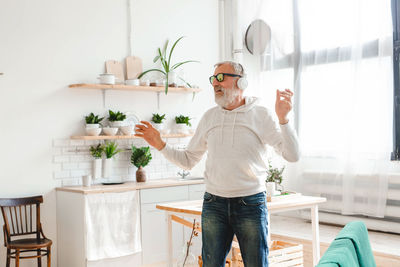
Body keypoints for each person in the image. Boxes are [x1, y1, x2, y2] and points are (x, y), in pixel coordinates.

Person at [134, 61, 300, 267]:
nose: (215, 83)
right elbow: (187, 161)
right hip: (214, 204)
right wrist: (159, 144)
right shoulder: (209, 117)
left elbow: (292, 155)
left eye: (221, 78)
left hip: (251, 204)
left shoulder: (261, 115)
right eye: (213, 79)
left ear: (242, 82)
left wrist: (283, 119)